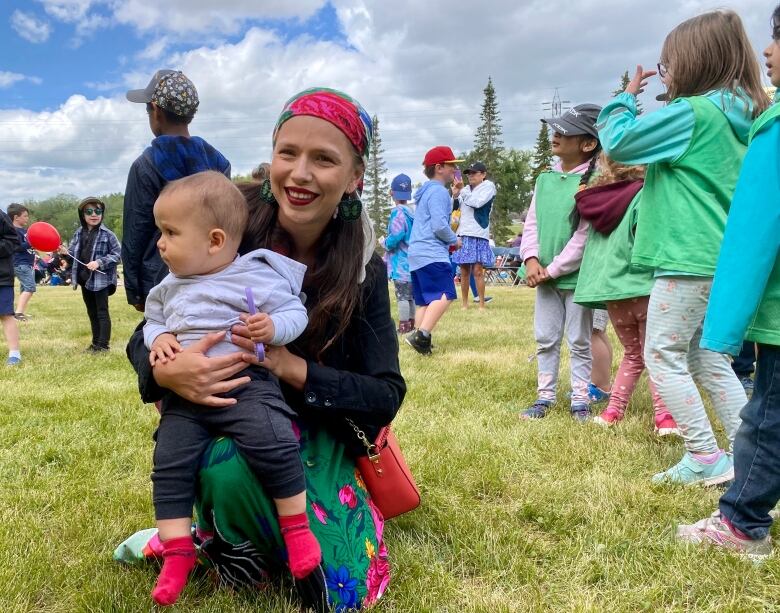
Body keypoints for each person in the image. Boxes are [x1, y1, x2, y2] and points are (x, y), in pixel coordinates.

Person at [121, 87, 405, 611]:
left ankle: (279, 534)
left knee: (335, 579)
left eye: (324, 159)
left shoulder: (362, 267)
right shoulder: (225, 220)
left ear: (354, 178)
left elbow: (385, 395)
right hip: (220, 410)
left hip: (314, 430)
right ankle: (227, 544)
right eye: (288, 152)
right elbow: (156, 319)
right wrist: (167, 372)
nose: (300, 173)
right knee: (222, 465)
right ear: (271, 155)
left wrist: (292, 366)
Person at [597, 9, 768, 485]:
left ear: (693, 62)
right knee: (707, 358)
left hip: (686, 256)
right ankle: (744, 454)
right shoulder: (742, 113)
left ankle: (705, 456)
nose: (665, 73)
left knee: (663, 356)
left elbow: (620, 144)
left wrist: (624, 100)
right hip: (721, 257)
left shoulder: (694, 114)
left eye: (668, 64)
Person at [141, 172, 317, 606]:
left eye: (170, 233)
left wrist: (274, 328)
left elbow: (296, 312)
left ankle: (297, 531)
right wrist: (159, 341)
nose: (160, 244)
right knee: (169, 462)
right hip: (186, 397)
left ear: (215, 241)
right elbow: (154, 322)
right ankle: (179, 550)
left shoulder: (255, 275)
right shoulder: (168, 287)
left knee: (274, 443)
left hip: (247, 383)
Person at [676, 5, 780, 558]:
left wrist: (724, 329)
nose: (768, 52)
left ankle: (741, 522)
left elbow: (752, 238)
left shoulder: (776, 129)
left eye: (779, 38)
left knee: (766, 420)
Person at [574, 154, 679, 435]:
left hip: (613, 295)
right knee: (654, 355)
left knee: (634, 354)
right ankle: (664, 417)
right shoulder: (644, 196)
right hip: (642, 288)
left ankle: (612, 412)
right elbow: (650, 238)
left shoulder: (596, 200)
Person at [122, 69, 231, 313]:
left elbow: (135, 234)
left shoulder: (146, 165)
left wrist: (135, 291)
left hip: (162, 277)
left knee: (163, 343)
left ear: (156, 111)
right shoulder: (219, 163)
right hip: (214, 275)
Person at [518, 104, 602, 421]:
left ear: (588, 144)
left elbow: (584, 236)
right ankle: (545, 397)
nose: (556, 135)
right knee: (545, 337)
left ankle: (580, 398)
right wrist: (530, 260)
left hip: (575, 278)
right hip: (544, 277)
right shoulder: (545, 180)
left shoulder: (593, 183)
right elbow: (532, 224)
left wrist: (551, 270)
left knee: (579, 339)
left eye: (565, 131)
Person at [405, 146, 463, 355]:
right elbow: (439, 225)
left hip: (417, 253)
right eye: (452, 166)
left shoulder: (427, 191)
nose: (455, 170)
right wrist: (454, 240)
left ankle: (422, 342)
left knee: (424, 301)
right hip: (432, 253)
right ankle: (421, 336)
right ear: (439, 168)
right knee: (445, 293)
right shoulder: (438, 192)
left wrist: (453, 195)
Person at [68, 198, 121, 352]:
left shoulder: (108, 234)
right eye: (89, 211)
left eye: (98, 211)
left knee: (102, 312)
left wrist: (99, 262)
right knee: (91, 312)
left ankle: (103, 345)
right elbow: (72, 252)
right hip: (85, 279)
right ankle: (95, 343)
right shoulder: (79, 233)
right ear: (82, 215)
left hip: (100, 280)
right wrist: (65, 253)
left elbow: (117, 254)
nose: (94, 215)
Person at [451, 161, 496, 310]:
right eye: (469, 173)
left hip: (478, 233)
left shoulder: (488, 187)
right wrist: (455, 195)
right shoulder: (466, 190)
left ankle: (481, 304)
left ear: (483, 174)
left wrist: (462, 190)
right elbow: (455, 208)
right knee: (464, 270)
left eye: (474, 173)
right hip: (463, 232)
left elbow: (477, 203)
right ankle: (465, 304)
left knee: (477, 270)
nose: (470, 176)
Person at [383, 174, 415, 334]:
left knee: (402, 296)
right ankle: (411, 323)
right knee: (411, 297)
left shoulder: (398, 213)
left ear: (392, 193)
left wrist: (385, 243)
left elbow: (396, 235)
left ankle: (403, 327)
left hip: (400, 264)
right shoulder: (411, 213)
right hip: (412, 263)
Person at [7, 203, 35, 321]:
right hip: (20, 263)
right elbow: (16, 247)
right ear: (16, 217)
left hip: (26, 263)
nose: (27, 218)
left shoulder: (23, 231)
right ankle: (18, 314)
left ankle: (20, 311)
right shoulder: (14, 231)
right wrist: (32, 242)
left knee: (24, 288)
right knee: (30, 287)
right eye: (25, 216)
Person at [0, 209, 21, 365]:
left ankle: (14, 353)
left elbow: (13, 240)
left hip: (1, 277)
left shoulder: (1, 216)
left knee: (6, 314)